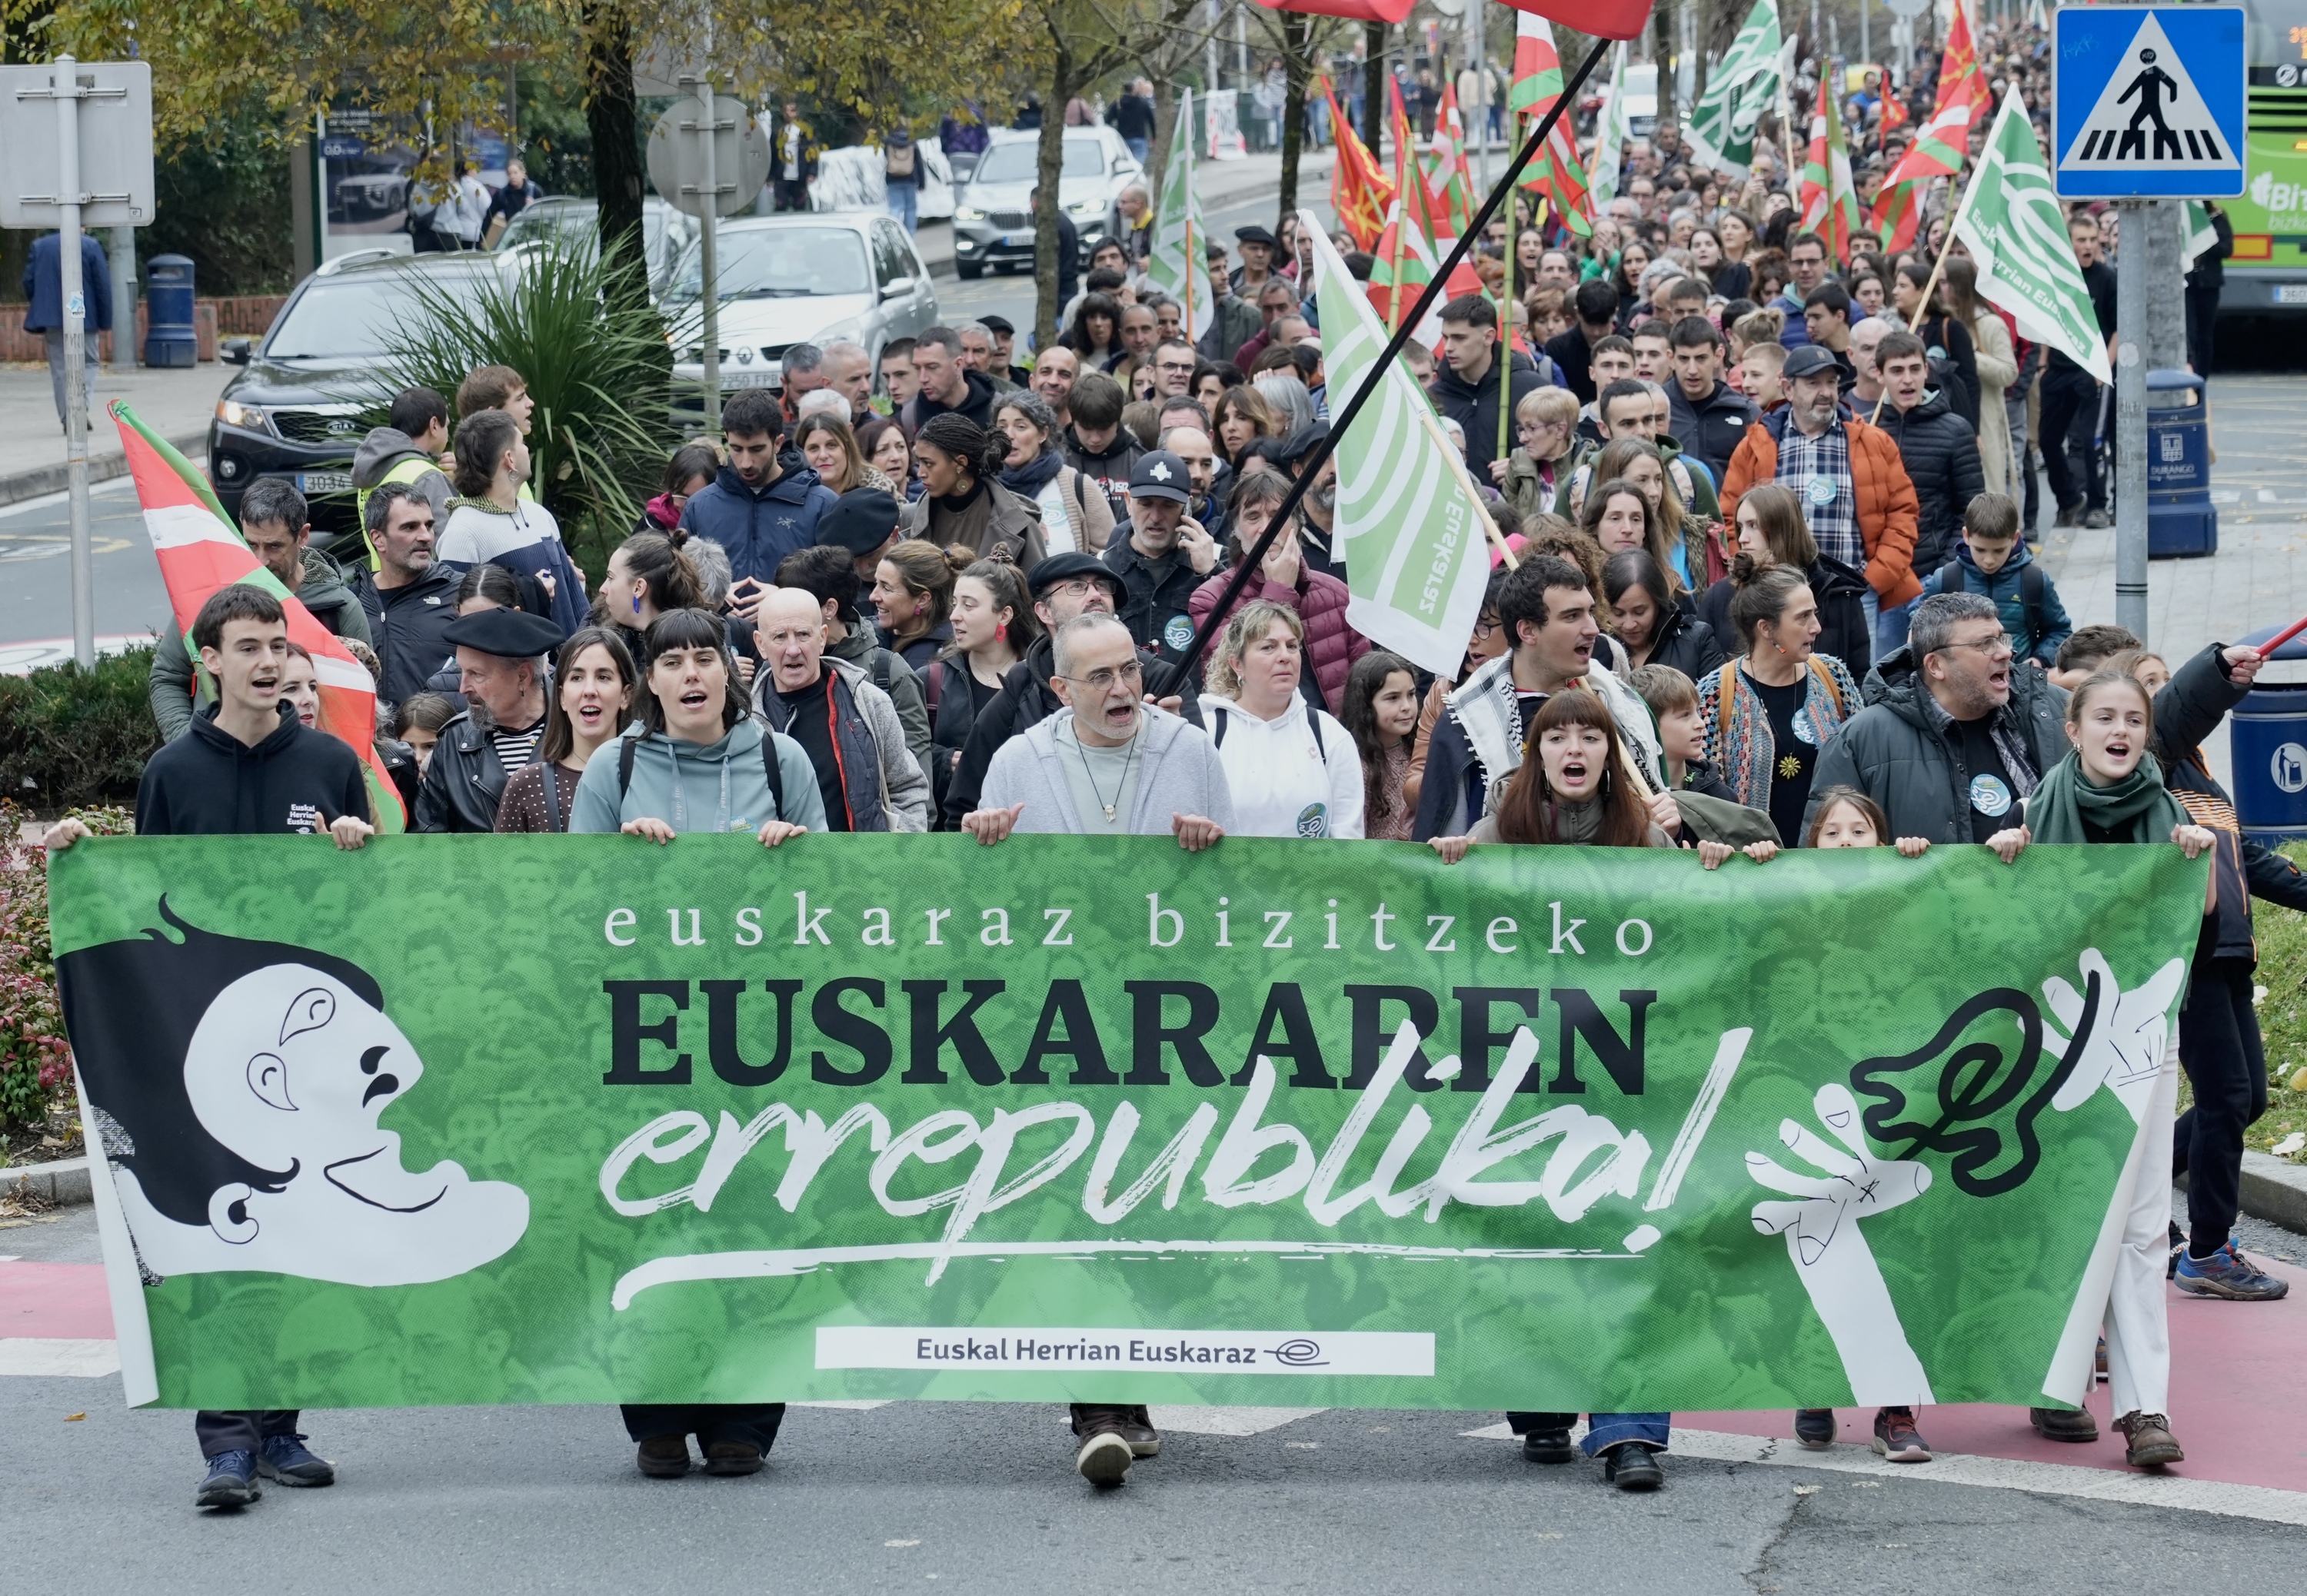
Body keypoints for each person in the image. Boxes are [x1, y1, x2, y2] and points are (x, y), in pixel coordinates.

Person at [48, 584, 372, 1511]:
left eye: (277, 644)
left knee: (299, 1229)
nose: (268, 662)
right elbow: (144, 902)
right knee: (223, 1230)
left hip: (302, 1047)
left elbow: (365, 909)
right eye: (249, 647)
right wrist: (79, 856)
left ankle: (281, 1429)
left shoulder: (329, 763)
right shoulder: (172, 772)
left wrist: (358, 847)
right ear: (211, 662)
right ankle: (226, 1443)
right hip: (201, 1044)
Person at [1423, 687, 1681, 1493]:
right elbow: (1448, 934)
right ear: (1536, 755)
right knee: (1527, 1229)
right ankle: (1540, 1402)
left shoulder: (1648, 839)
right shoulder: (1497, 831)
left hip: (1623, 1071)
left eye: (1589, 737)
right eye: (1557, 737)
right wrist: (1446, 870)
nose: (1574, 749)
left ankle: (1629, 1429)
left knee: (1629, 1239)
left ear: (1611, 754)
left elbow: (1693, 938)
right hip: (1525, 1073)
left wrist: (1711, 865)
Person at [1986, 668, 2221, 1469]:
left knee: (2144, 1224)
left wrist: (2198, 860)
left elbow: (2207, 913)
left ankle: (2145, 1408)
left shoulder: (2173, 817)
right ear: (2074, 729)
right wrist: (2005, 861)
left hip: (2144, 1041)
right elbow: (2005, 925)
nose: (2120, 731)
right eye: (2105, 718)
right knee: (2062, 1216)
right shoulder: (2034, 814)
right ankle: (2054, 1382)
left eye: (2134, 720)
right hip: (2056, 1044)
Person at [1413, 554, 1663, 840]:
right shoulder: (1465, 724)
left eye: (1590, 612)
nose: (1593, 628)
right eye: (1572, 616)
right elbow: (1441, 847)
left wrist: (1663, 821)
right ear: (1528, 631)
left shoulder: (1621, 706)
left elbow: (1648, 816)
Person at [943, 550, 1197, 828]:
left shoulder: (1163, 681)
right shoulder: (1020, 687)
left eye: (1102, 586)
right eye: (1077, 586)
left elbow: (1198, 785)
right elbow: (965, 808)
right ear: (1044, 611)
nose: (1095, 595)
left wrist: (1171, 737)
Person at [1803, 591, 2068, 844]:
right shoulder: (1859, 741)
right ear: (1936, 665)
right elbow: (1824, 857)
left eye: (2001, 639)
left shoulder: (2058, 711)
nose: (2005, 653)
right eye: (1985, 644)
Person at [1722, 344, 1921, 665]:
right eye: (1813, 383)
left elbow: (1903, 513)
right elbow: (1730, 516)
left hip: (1850, 593)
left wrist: (1875, 579)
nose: (1826, 392)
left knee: (1855, 681)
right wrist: (1751, 572)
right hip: (1777, 596)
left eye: (1831, 382)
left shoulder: (1873, 442)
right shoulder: (1756, 445)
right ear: (1787, 388)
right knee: (1780, 675)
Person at [148, 480, 372, 740]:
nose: (260, 560)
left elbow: (364, 697)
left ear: (302, 536)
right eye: (251, 544)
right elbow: (168, 677)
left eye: (274, 546)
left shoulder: (341, 607)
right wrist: (187, 741)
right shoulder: (209, 598)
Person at [1696, 564, 1863, 848]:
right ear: (1766, 628)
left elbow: (1864, 765)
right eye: (1803, 617)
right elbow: (1707, 801)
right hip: (1755, 864)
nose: (1816, 627)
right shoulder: (1716, 694)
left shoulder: (1832, 676)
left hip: (1832, 862)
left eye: (1814, 613)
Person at [749, 587, 929, 833]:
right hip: (781, 858)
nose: (793, 649)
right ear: (761, 644)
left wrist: (895, 850)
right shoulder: (746, 722)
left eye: (803, 634)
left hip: (867, 857)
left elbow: (908, 788)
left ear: (822, 638)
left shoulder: (869, 703)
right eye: (780, 636)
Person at [1187, 473, 1367, 711]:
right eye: (1253, 517)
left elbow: (1365, 690)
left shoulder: (1337, 595)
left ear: (1297, 524)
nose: (1266, 528)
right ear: (1236, 530)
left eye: (1277, 515)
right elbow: (1228, 681)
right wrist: (1279, 591)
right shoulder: (1210, 599)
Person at [1200, 602, 1363, 840]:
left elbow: (1348, 839)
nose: (1285, 656)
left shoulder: (1328, 734)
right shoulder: (1207, 732)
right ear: (1237, 664)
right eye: (1268, 647)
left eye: (1292, 646)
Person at [776, 541, 934, 778]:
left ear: (830, 608)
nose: (783, 611)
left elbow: (916, 776)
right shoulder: (775, 668)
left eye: (796, 604)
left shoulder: (888, 671)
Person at [1873, 328, 1986, 641]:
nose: (1907, 380)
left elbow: (1971, 509)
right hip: (1881, 578)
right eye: (1897, 371)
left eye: (1914, 369)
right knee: (1884, 667)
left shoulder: (1955, 430)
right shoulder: (1867, 428)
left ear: (1927, 370)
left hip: (1930, 577)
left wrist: (1943, 570)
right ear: (1879, 375)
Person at [437, 409, 589, 637]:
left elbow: (576, 603)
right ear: (509, 459)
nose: (527, 450)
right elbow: (455, 622)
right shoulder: (462, 533)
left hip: (572, 657)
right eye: (523, 443)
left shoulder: (540, 515)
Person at [414, 607, 562, 832]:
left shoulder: (577, 732)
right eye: (462, 672)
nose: (463, 688)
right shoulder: (454, 740)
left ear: (523, 676)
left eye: (476, 674)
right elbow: (427, 836)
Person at [679, 387, 839, 590]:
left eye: (756, 449)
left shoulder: (823, 504)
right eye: (736, 449)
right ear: (726, 439)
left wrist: (786, 598)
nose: (746, 462)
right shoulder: (699, 506)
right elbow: (681, 583)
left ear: (778, 443)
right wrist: (715, 599)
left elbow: (838, 586)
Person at [494, 627, 636, 833]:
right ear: (561, 697)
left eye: (603, 677)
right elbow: (503, 855)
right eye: (577, 678)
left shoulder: (651, 780)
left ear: (626, 696)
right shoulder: (526, 785)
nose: (589, 691)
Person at [933, 557, 1041, 817]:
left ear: (1004, 615)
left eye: (969, 605)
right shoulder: (933, 679)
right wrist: (944, 760)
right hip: (954, 828)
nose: (954, 616)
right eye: (955, 604)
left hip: (1028, 826)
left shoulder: (1041, 680)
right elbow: (905, 755)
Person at [1919, 492, 2072, 669]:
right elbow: (1919, 630)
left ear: (2015, 539)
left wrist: (2038, 661)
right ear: (1966, 536)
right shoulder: (1946, 579)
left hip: (2019, 677)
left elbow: (2060, 631)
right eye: (1980, 550)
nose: (1989, 560)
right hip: (1960, 679)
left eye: (1999, 551)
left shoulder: (2034, 580)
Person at [349, 482, 462, 710]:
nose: (426, 536)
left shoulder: (461, 593)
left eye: (429, 525)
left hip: (441, 732)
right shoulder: (353, 601)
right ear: (378, 538)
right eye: (410, 527)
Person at [1104, 449, 1220, 668]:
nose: (1156, 517)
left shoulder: (1214, 562)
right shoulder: (1103, 570)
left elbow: (1238, 637)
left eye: (1168, 505)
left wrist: (1210, 574)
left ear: (1187, 507)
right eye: (1146, 503)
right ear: (1128, 502)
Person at [2039, 211, 2118, 529]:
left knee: (2091, 440)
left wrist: (2103, 370)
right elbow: (2048, 321)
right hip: (2058, 369)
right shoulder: (2057, 277)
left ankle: (2098, 505)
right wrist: (2043, 363)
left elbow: (2118, 329)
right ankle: (2069, 499)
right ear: (2069, 242)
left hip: (2092, 370)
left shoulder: (2107, 278)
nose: (2088, 246)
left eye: (2092, 240)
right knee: (2048, 441)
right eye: (2081, 240)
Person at [1431, 294, 1553, 482]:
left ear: (1488, 337)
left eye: (1459, 338)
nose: (1448, 347)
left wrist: (1523, 466)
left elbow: (1560, 454)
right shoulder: (1432, 398)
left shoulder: (1533, 390)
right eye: (1445, 338)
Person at [899, 413, 1047, 565]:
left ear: (960, 463)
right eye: (919, 463)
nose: (920, 473)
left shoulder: (1019, 523)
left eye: (929, 463)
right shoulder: (909, 519)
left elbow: (1036, 578)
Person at [996, 391, 1114, 555]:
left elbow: (1110, 554)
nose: (1009, 435)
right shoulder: (987, 487)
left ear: (1043, 434)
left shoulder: (1077, 485)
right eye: (1001, 427)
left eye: (1021, 427)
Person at [1942, 255, 2020, 500]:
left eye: (1943, 282)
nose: (1937, 288)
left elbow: (2009, 372)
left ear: (1958, 287)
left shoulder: (1990, 324)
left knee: (1988, 488)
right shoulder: (1942, 324)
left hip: (1984, 416)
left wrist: (1969, 357)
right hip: (1947, 412)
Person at [22, 227, 109, 427]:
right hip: (85, 317)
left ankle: (67, 416)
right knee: (89, 362)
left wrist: (41, 305)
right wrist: (104, 319)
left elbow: (28, 281)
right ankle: (81, 408)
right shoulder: (90, 245)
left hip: (52, 318)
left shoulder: (40, 246)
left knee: (60, 367)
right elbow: (102, 284)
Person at [352, 386, 455, 544]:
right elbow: (449, 544)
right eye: (446, 425)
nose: (447, 432)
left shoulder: (372, 469)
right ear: (434, 425)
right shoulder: (429, 476)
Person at [1665, 318, 1759, 482]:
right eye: (1684, 359)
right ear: (1671, 359)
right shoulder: (1653, 409)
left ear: (1718, 356)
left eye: (1701, 358)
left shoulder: (1746, 412)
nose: (1692, 370)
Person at [594, 529, 706, 666]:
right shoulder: (602, 630)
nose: (603, 589)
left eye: (611, 577)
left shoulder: (697, 646)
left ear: (638, 588)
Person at [1603, 550, 1723, 678]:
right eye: (1618, 613)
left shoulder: (1698, 640)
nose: (1629, 625)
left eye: (1639, 612)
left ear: (1658, 603)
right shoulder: (1596, 648)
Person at [1063, 370, 1144, 522]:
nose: (1095, 439)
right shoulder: (1055, 459)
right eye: (1086, 428)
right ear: (1073, 420)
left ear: (1117, 420)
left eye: (1104, 428)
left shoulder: (1139, 460)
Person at [870, 537, 959, 672]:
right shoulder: (870, 634)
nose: (873, 597)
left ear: (923, 599)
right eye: (876, 583)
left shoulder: (929, 665)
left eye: (886, 588)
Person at [1499, 387, 1582, 520]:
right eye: (1522, 429)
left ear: (1560, 430)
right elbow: (1510, 523)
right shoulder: (1518, 460)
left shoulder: (1586, 463)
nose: (1522, 439)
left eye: (1532, 428)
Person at [902, 327, 1000, 432]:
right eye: (917, 368)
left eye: (932, 367)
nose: (923, 378)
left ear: (958, 365)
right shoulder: (911, 415)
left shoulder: (997, 407)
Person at [795, 413, 891, 498]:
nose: (823, 455)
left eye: (831, 445)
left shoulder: (877, 492)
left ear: (848, 449)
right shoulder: (791, 498)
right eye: (814, 448)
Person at [480, 156, 541, 244]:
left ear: (523, 173)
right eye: (510, 174)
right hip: (513, 236)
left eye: (515, 173)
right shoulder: (503, 194)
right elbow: (489, 215)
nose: (513, 176)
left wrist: (534, 206)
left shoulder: (535, 191)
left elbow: (545, 214)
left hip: (533, 236)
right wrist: (481, 238)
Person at [768, 103, 817, 212]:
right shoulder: (778, 132)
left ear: (797, 113)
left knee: (800, 208)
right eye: (786, 111)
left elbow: (813, 153)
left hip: (800, 177)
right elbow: (772, 154)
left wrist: (812, 172)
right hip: (781, 178)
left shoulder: (805, 132)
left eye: (792, 110)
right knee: (781, 207)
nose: (788, 114)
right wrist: (770, 176)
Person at [856, 417, 916, 499]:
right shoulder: (855, 502)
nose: (896, 457)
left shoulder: (928, 496)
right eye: (883, 450)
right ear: (865, 460)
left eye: (901, 447)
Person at [882, 125, 920, 232]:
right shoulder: (912, 141)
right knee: (910, 209)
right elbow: (919, 162)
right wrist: (922, 183)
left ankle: (893, 232)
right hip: (910, 179)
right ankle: (910, 234)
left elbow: (886, 158)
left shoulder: (889, 142)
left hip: (893, 179)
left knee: (894, 207)